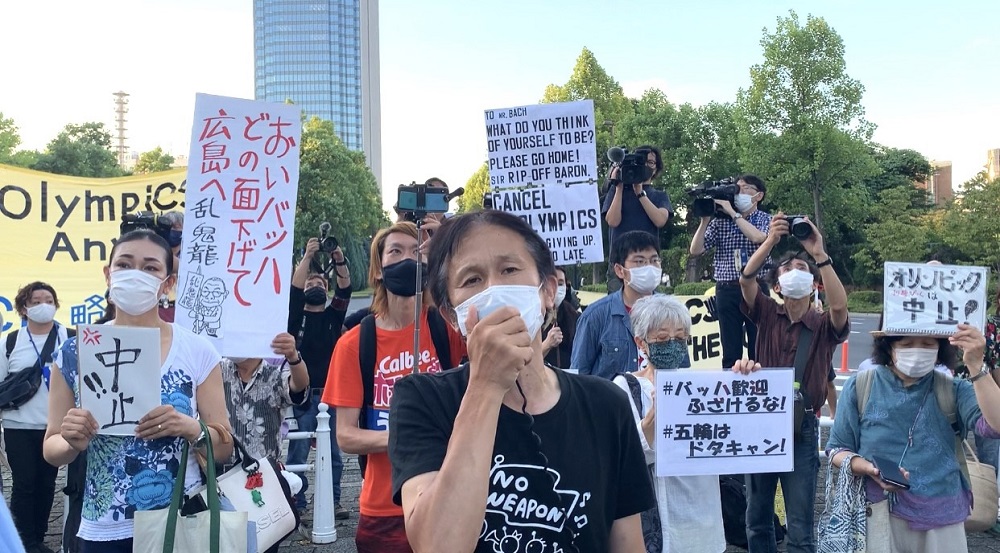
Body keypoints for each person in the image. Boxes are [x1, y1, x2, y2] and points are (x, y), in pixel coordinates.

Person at [388, 209, 654, 552]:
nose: (495, 289)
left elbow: (627, 544)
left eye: (510, 270)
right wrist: (485, 385)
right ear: (451, 317)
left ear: (548, 291)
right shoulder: (421, 399)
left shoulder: (606, 405)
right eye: (472, 280)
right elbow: (438, 546)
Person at [42, 229, 234, 553]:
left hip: (179, 519)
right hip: (103, 526)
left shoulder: (197, 351)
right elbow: (51, 448)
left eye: (150, 268)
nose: (136, 276)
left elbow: (224, 445)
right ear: (108, 274)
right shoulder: (74, 353)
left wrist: (190, 428)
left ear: (168, 283)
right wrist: (71, 440)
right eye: (125, 264)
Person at [324, 221, 466, 552]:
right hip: (385, 508)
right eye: (396, 252)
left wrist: (448, 251)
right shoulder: (354, 345)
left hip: (449, 496)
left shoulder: (447, 330)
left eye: (417, 253)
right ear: (378, 269)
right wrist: (409, 436)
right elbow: (346, 436)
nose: (407, 260)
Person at [827, 324, 1000, 552]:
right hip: (877, 511)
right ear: (889, 348)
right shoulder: (860, 386)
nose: (918, 351)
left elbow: (995, 426)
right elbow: (837, 450)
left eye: (928, 344)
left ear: (940, 348)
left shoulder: (955, 389)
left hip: (942, 518)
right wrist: (869, 469)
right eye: (907, 344)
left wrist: (976, 365)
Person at [738, 214, 849, 553]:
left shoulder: (822, 324)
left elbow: (840, 305)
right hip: (761, 424)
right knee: (757, 518)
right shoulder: (768, 313)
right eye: (786, 269)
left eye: (801, 268)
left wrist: (819, 254)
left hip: (802, 427)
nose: (794, 271)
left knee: (800, 524)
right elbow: (746, 279)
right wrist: (770, 240)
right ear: (776, 285)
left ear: (814, 282)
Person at [612, 294, 730, 553]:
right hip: (656, 522)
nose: (673, 345)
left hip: (703, 520)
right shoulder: (624, 388)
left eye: (680, 338)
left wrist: (744, 379)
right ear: (641, 343)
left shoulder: (701, 386)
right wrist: (655, 417)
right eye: (663, 339)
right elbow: (625, 459)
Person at [1, 281, 73, 553]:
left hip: (55, 427)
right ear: (23, 308)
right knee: (24, 484)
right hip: (18, 424)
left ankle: (39, 538)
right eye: (35, 301)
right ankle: (23, 541)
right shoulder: (9, 343)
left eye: (49, 300)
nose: (44, 305)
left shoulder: (71, 337)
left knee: (47, 484)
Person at [286, 237, 352, 520]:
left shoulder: (333, 316)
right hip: (302, 396)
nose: (315, 287)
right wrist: (307, 257)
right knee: (297, 451)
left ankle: (334, 501)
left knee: (335, 454)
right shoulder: (293, 317)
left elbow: (346, 288)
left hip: (332, 394)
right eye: (311, 284)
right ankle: (296, 502)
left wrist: (338, 258)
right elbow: (294, 289)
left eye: (321, 285)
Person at [689, 174, 771, 370]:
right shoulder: (720, 222)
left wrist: (734, 214)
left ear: (758, 196)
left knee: (759, 348)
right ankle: (731, 393)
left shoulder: (766, 219)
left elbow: (759, 238)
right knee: (730, 350)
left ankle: (759, 391)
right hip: (727, 289)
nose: (738, 193)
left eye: (744, 189)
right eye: (736, 188)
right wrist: (705, 221)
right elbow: (696, 250)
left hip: (756, 287)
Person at [571, 231, 666, 378]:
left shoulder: (671, 313)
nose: (649, 267)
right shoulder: (595, 316)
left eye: (654, 260)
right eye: (640, 262)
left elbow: (682, 372)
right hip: (610, 401)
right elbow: (578, 376)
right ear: (620, 270)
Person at [220, 332, 308, 463]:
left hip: (264, 471)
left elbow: (299, 386)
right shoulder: (217, 369)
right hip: (221, 472)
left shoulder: (274, 373)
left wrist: (293, 357)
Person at [603, 146, 673, 293]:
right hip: (619, 261)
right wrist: (619, 188)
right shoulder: (616, 191)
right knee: (618, 307)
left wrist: (640, 193)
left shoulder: (659, 196)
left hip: (647, 261)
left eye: (651, 162)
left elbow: (660, 220)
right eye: (642, 162)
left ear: (656, 169)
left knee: (648, 308)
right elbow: (612, 221)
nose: (646, 165)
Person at [541, 266, 580, 370]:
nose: (556, 288)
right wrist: (547, 344)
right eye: (551, 282)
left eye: (561, 283)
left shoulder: (573, 315)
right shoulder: (533, 315)